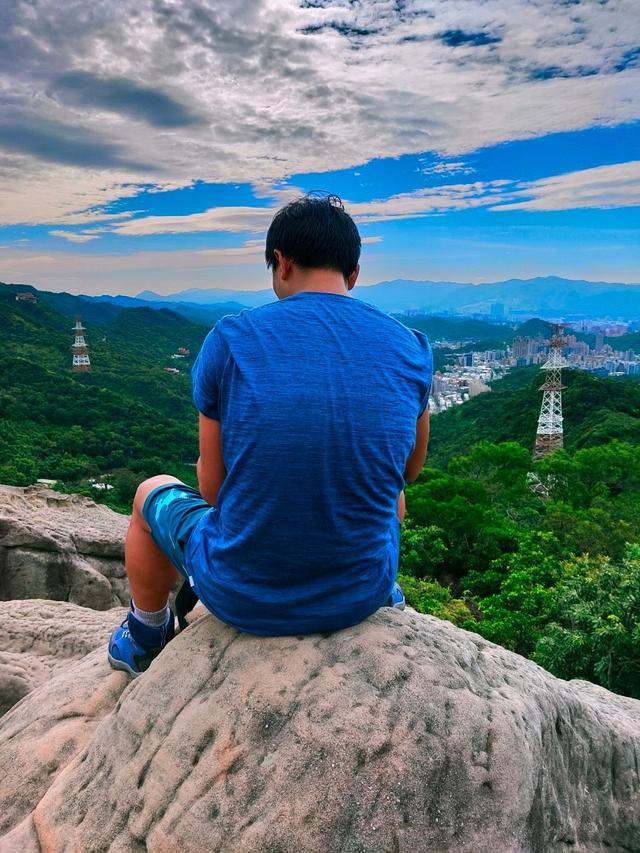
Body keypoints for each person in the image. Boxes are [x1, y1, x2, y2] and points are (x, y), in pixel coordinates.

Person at [108, 194, 432, 677]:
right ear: (355, 272)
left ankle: (145, 635)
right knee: (395, 497)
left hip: (241, 593)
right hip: (359, 595)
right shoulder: (411, 346)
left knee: (149, 492)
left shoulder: (232, 339)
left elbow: (213, 490)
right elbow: (409, 470)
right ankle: (383, 589)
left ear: (280, 262)